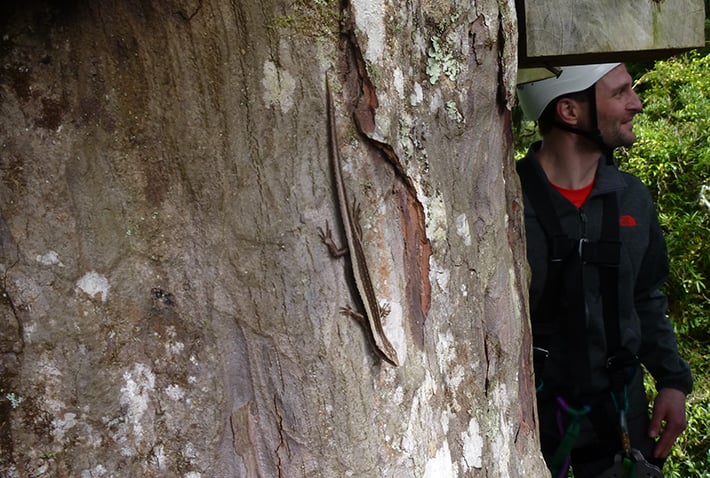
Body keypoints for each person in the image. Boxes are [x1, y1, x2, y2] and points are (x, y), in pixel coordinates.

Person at [515, 63, 693, 477]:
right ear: (569, 112)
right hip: (532, 413)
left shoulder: (631, 197)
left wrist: (671, 379)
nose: (637, 104)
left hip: (620, 411)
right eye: (620, 93)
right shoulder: (506, 200)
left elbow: (645, 297)